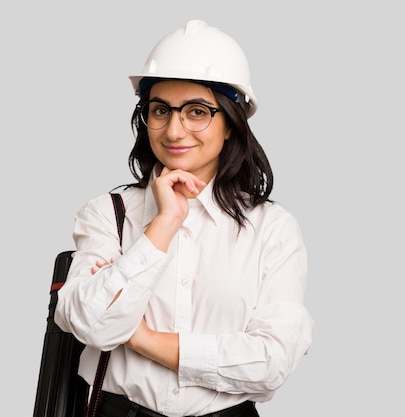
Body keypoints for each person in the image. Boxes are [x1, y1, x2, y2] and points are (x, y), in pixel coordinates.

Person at [54, 19, 314, 417]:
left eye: (197, 112)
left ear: (230, 124)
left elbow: (271, 363)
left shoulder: (271, 229)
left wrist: (140, 338)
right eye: (161, 110)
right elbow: (90, 324)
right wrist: (163, 225)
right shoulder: (108, 212)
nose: (175, 130)